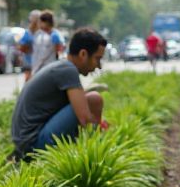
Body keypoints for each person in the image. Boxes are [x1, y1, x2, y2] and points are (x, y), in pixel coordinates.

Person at [10, 28, 109, 159]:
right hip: (34, 144)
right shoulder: (68, 70)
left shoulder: (61, 66)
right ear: (83, 54)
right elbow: (85, 118)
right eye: (98, 59)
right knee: (94, 99)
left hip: (25, 142)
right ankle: (95, 153)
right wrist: (101, 129)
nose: (99, 66)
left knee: (88, 99)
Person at [30, 9, 65, 78]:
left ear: (46, 22)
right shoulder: (42, 35)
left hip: (49, 69)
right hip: (40, 68)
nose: (39, 24)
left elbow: (59, 53)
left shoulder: (54, 35)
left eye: (40, 22)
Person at [19, 10, 40, 82]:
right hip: (29, 62)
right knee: (29, 80)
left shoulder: (43, 32)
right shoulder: (28, 33)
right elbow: (21, 47)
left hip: (40, 62)